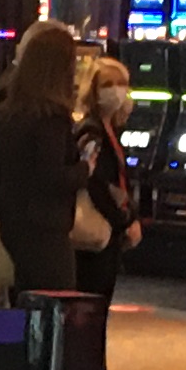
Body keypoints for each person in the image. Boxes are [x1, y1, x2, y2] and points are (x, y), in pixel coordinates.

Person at [0, 20, 87, 293]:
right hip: (44, 225)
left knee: (27, 295)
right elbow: (51, 177)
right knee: (56, 301)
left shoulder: (12, 111)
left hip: (13, 217)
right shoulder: (50, 117)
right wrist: (85, 168)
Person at [72, 44, 142, 300]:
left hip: (109, 229)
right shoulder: (91, 131)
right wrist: (124, 219)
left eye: (122, 84)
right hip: (96, 230)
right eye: (108, 84)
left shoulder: (109, 129)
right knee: (92, 301)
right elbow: (96, 183)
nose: (116, 91)